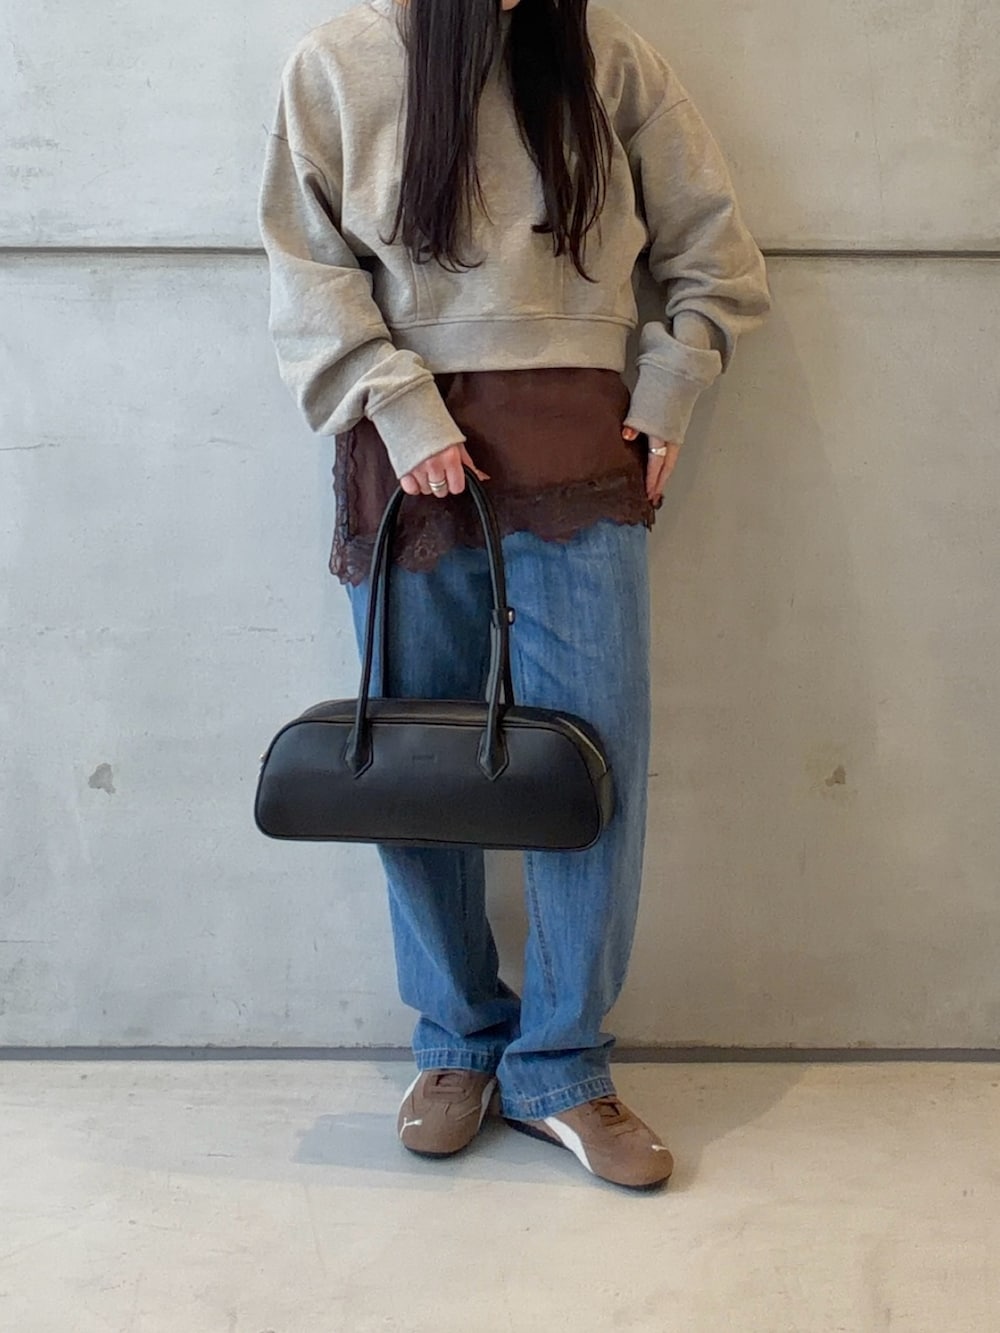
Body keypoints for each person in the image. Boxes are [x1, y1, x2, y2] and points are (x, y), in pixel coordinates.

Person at [258, 0, 771, 1191]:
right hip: (405, 464)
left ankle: (562, 1065)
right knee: (408, 763)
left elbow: (714, 253)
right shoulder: (335, 65)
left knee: (593, 766)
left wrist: (668, 390)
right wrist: (402, 409)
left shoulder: (609, 61)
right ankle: (455, 1042)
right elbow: (306, 270)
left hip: (582, 450)